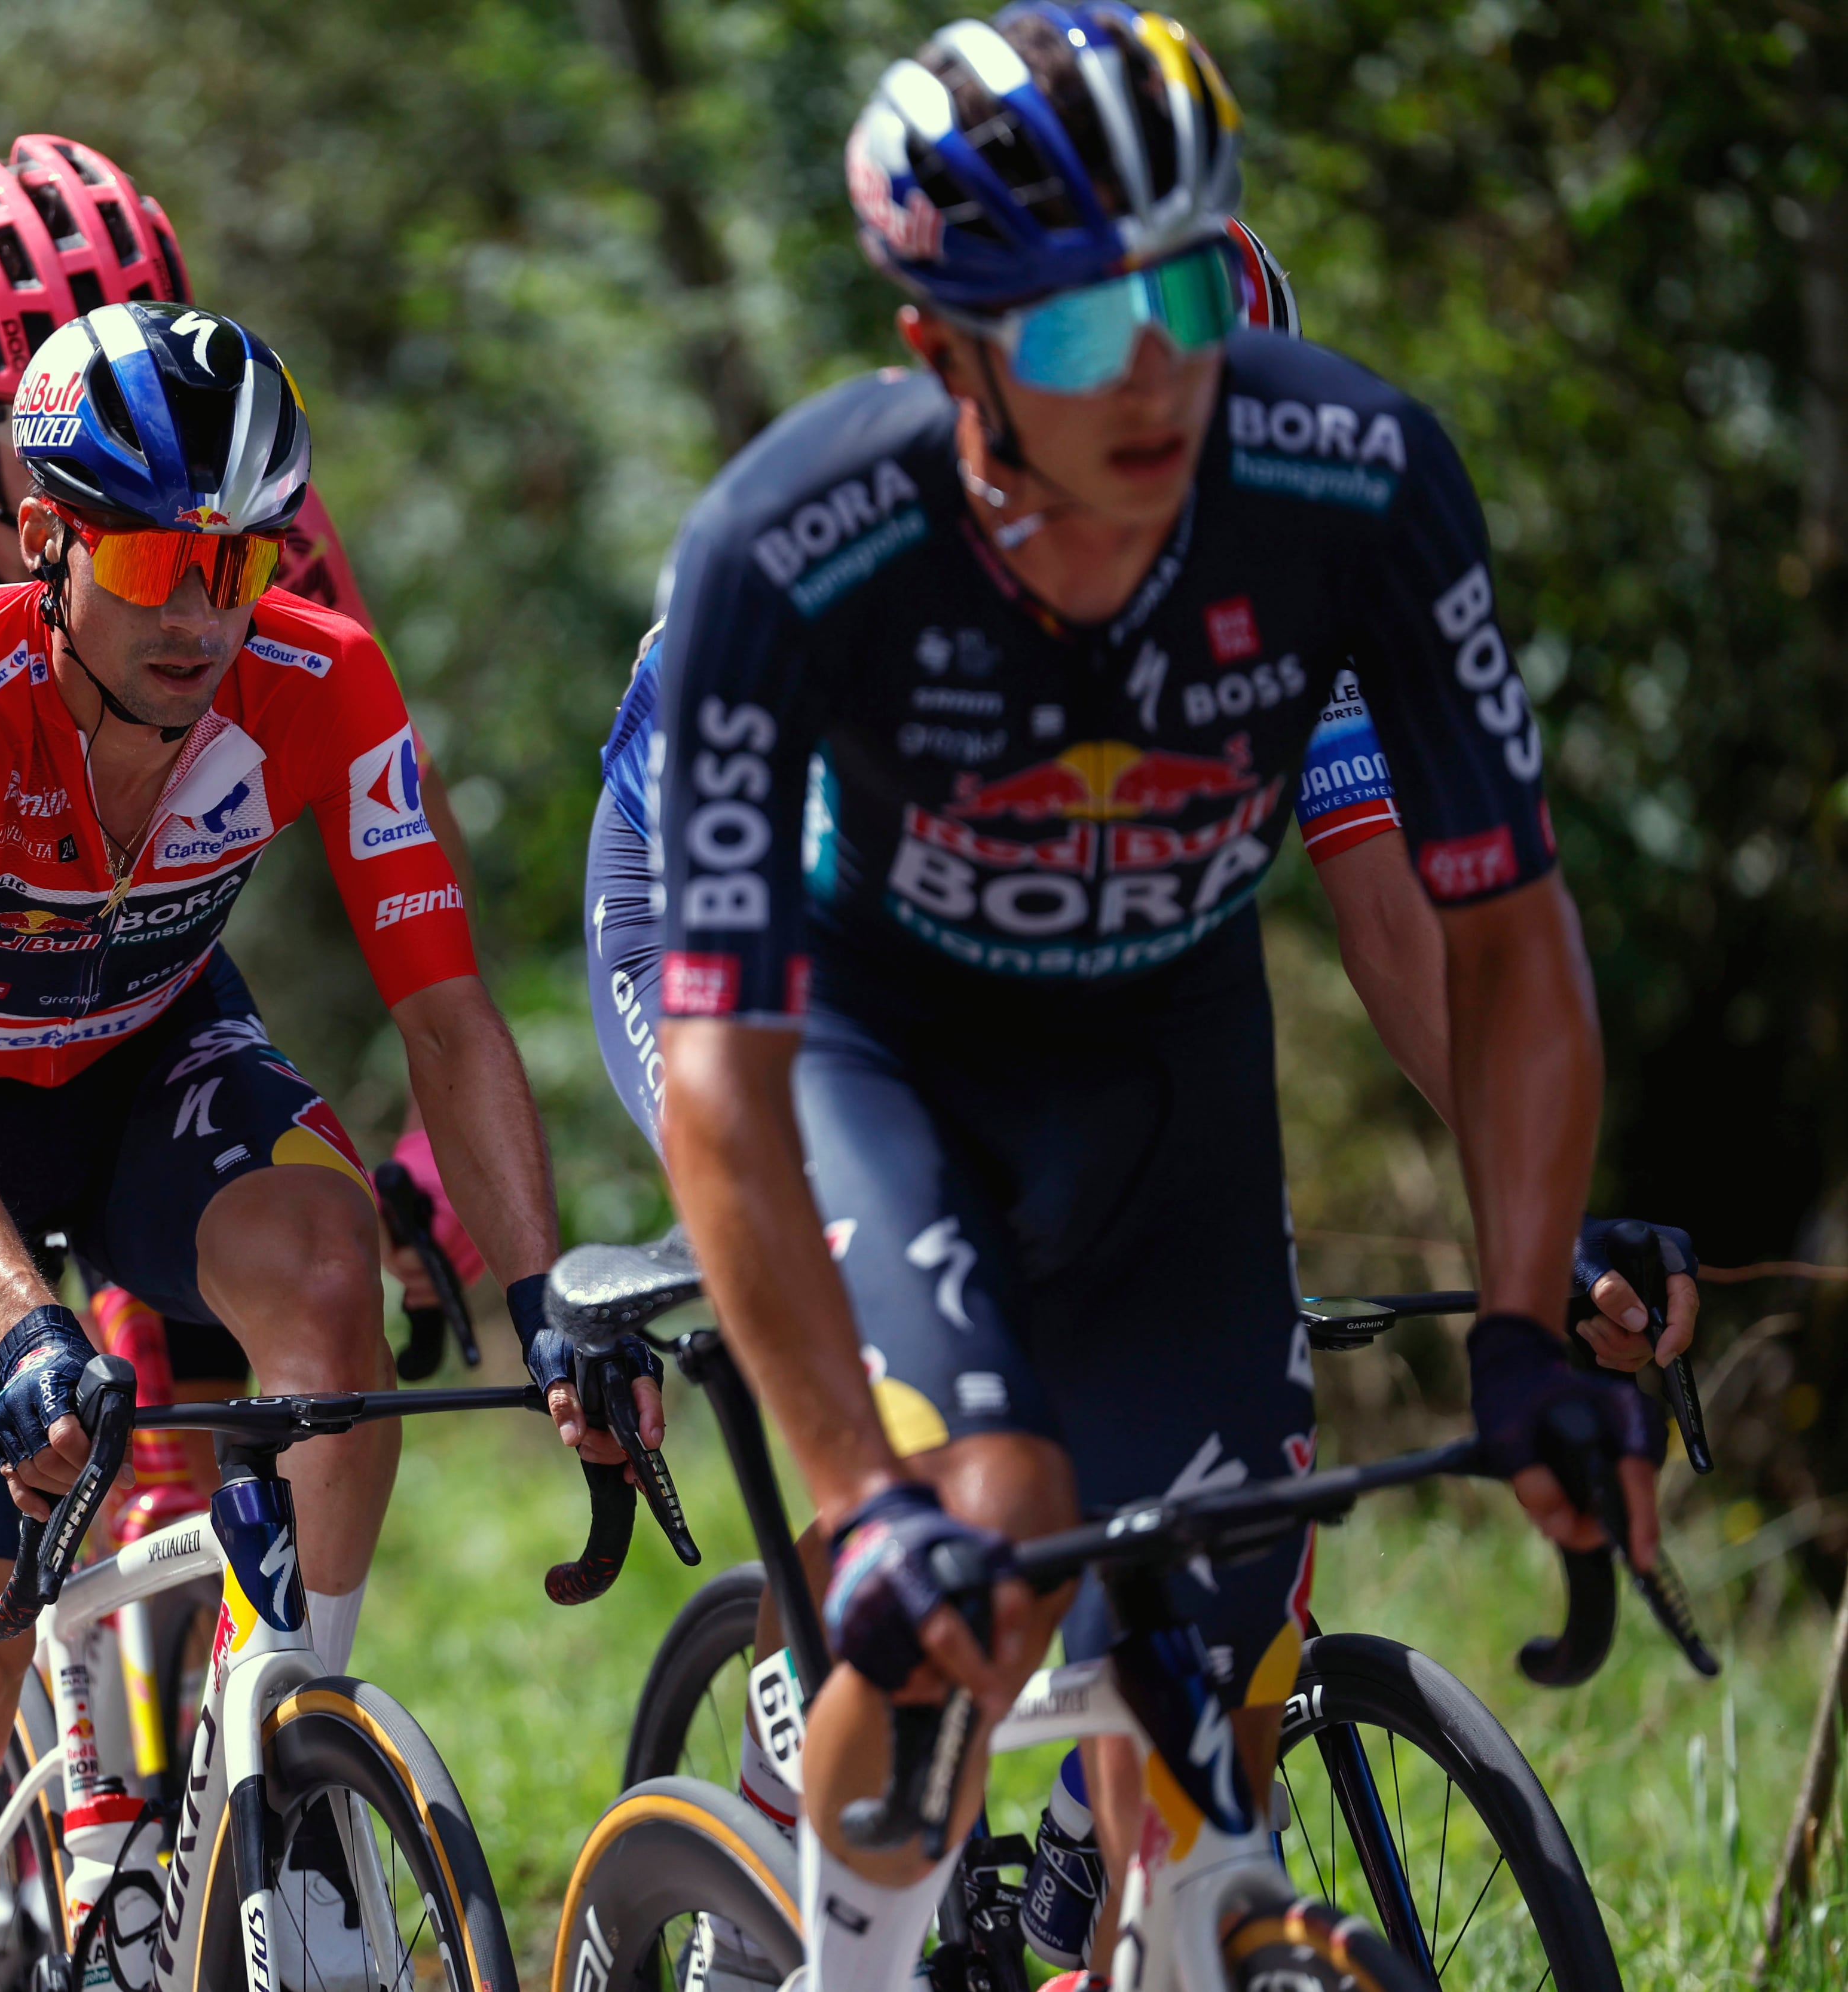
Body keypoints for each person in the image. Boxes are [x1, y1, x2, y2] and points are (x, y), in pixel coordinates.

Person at [628, 11, 1683, 1985]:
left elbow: (1501, 930)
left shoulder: (1348, 472)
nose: (1154, 373)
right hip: (881, 1046)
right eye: (1065, 333)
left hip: (1163, 1049)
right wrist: (858, 1507)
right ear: (940, 352)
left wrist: (1528, 1312)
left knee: (1230, 1599)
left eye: (1187, 291)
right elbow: (725, 1068)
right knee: (984, 1547)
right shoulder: (796, 542)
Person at [0, 301, 653, 1992]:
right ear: (48, 537)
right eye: (166, 558)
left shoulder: (323, 677)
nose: (209, 608)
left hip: (145, 1039)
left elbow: (452, 1019)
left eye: (246, 559)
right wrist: (27, 1330)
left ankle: (284, 1774)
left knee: (329, 1274)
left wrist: (548, 1305)